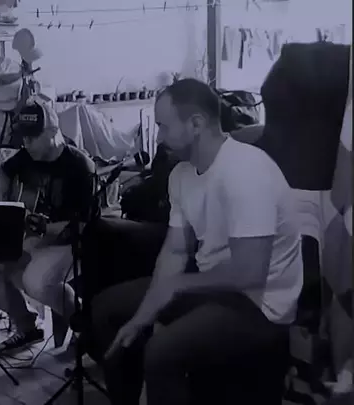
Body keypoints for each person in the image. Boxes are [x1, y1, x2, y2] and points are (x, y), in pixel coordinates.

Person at [89, 78, 302, 405]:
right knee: (107, 310)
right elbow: (175, 251)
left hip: (261, 304)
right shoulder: (181, 175)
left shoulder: (246, 171)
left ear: (197, 124)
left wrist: (177, 286)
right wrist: (144, 313)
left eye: (163, 126)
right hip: (214, 288)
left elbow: (250, 272)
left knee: (162, 351)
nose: (159, 138)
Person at [0, 100, 96, 353]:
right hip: (33, 237)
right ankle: (27, 326)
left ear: (53, 132)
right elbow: (4, 171)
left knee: (35, 280)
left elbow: (85, 225)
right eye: (23, 137)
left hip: (70, 242)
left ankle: (86, 326)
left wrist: (43, 228)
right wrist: (2, 197)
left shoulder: (79, 166)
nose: (25, 143)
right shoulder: (26, 156)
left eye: (32, 137)